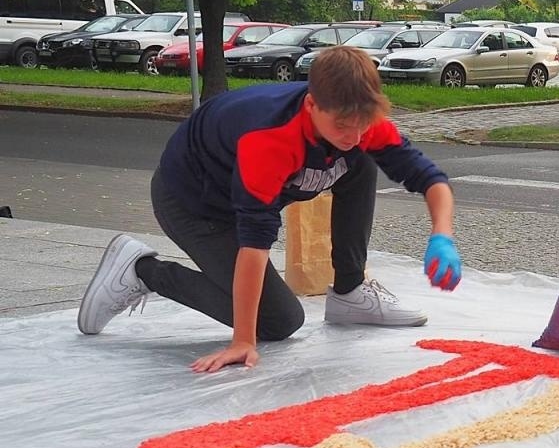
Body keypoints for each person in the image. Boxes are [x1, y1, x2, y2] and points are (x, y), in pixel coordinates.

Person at [76, 46, 463, 373]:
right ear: (312, 105)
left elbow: (430, 179)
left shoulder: (357, 122)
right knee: (280, 321)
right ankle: (144, 271)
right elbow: (254, 244)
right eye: (344, 126)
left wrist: (442, 236)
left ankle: (350, 291)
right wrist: (243, 339)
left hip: (242, 183)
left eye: (363, 125)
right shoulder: (270, 140)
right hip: (195, 203)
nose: (355, 135)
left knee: (360, 160)